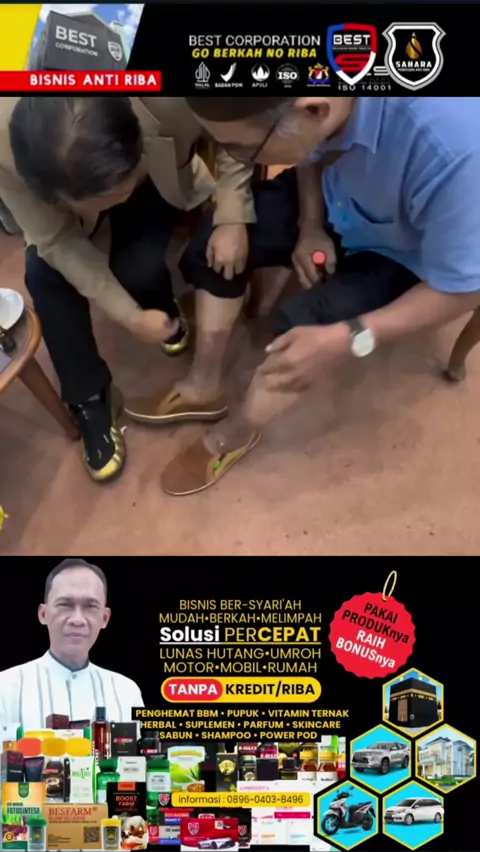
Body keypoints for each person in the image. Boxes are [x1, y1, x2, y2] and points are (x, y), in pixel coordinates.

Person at [142, 96, 480, 496]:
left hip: (405, 251)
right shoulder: (321, 94)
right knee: (212, 250)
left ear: (314, 110)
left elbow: (464, 288)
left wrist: (351, 336)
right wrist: (311, 225)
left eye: (245, 149)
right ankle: (203, 386)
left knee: (300, 335)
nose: (239, 159)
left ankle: (236, 433)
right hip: (338, 192)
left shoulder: (456, 153)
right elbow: (309, 150)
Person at [0, 96, 254, 482]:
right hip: (66, 211)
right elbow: (56, 240)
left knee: (137, 268)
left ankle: (164, 311)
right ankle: (90, 400)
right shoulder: (6, 146)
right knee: (42, 275)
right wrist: (129, 316)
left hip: (156, 174)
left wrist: (233, 216)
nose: (119, 198)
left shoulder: (169, 91)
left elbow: (241, 127)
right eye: (107, 198)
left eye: (121, 188)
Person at [0, 559, 143, 732]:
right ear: (43, 614)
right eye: (65, 605)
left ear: (105, 618)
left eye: (90, 606)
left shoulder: (126, 692)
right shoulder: (5, 688)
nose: (77, 620)